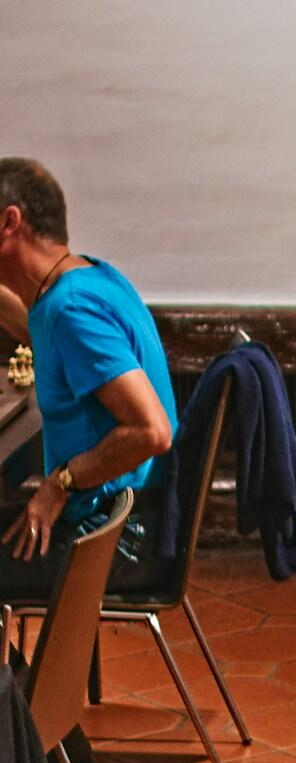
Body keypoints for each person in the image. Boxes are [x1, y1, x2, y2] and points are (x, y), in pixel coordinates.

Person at [0, 158, 175, 598]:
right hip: (125, 519)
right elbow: (46, 336)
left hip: (114, 538)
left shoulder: (71, 310)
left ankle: (22, 672)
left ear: (9, 222)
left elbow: (152, 431)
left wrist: (59, 485)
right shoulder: (86, 281)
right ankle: (34, 671)